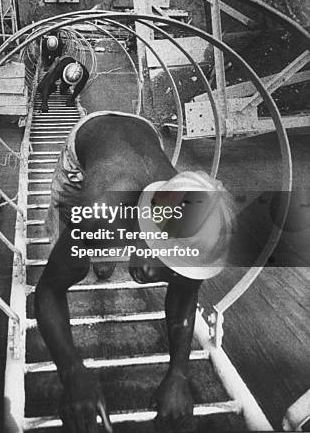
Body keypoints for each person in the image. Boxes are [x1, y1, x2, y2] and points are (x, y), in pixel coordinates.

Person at [35, 112, 234, 432]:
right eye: (166, 263)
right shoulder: (99, 211)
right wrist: (71, 372)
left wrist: (179, 374)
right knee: (74, 259)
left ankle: (102, 253)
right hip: (88, 146)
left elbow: (186, 287)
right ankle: (95, 251)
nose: (166, 276)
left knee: (109, 254)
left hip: (142, 134)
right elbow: (48, 290)